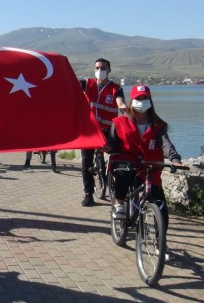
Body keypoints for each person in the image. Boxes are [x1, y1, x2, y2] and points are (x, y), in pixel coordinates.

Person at [105, 84, 184, 260]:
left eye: (144, 99)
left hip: (149, 167)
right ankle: (119, 205)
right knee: (123, 175)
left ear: (150, 101)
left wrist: (175, 159)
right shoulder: (119, 122)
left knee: (161, 207)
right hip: (125, 163)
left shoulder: (158, 125)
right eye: (138, 99)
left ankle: (160, 242)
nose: (141, 102)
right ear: (131, 101)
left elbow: (166, 144)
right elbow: (112, 144)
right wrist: (107, 146)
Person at [79, 58, 127, 206]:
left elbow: (121, 104)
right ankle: (88, 194)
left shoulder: (116, 88)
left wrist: (131, 116)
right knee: (86, 164)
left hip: (108, 131)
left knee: (119, 158)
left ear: (109, 70)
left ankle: (118, 191)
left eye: (103, 68)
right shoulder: (88, 84)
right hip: (90, 131)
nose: (100, 71)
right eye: (97, 68)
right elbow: (70, 84)